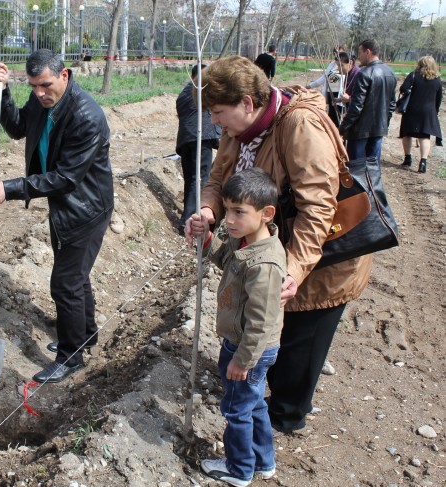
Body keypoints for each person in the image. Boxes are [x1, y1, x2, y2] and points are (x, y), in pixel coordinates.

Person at [186, 56, 372, 437]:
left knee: (299, 347)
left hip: (320, 260)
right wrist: (208, 210)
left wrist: (295, 269)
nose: (214, 122)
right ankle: (267, 411)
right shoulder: (238, 131)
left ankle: (283, 422)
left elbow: (319, 206)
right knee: (275, 338)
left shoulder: (299, 126)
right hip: (272, 251)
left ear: (247, 104)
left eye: (218, 112)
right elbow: (219, 177)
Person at [0, 50, 114, 383]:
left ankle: (71, 357)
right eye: (33, 86)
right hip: (66, 206)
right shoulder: (41, 101)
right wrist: (2, 92)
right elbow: (16, 128)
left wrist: (10, 188)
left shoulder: (86, 115)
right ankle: (85, 333)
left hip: (85, 210)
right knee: (76, 276)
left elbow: (67, 177)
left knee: (65, 283)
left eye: (45, 85)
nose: (40, 93)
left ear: (64, 75)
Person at [198, 168, 286, 487]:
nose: (230, 219)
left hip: (248, 349)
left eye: (239, 212)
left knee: (236, 409)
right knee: (254, 402)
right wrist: (206, 238)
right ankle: (263, 462)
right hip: (250, 349)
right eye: (227, 209)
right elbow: (225, 260)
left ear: (267, 214)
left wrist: (242, 360)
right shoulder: (249, 243)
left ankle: (239, 469)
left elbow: (261, 323)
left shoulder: (264, 265)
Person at [175, 63, 221, 235]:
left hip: (185, 139)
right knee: (201, 179)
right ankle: (189, 220)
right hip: (201, 139)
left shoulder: (184, 93)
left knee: (191, 179)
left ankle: (187, 218)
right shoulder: (202, 90)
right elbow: (209, 115)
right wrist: (219, 137)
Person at [338, 39, 397, 161]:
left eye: (360, 52)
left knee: (357, 168)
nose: (359, 56)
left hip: (360, 131)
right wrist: (384, 124)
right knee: (373, 167)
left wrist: (343, 128)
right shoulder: (390, 73)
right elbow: (391, 105)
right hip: (378, 130)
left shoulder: (364, 74)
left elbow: (356, 106)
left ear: (368, 52)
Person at [398, 55, 442, 174]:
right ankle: (423, 162)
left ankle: (408, 158)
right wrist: (435, 111)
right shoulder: (437, 80)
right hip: (428, 112)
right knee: (424, 136)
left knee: (407, 134)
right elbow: (439, 98)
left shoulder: (413, 75)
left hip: (412, 109)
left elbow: (403, 89)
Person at [307, 48, 346, 126]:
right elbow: (324, 78)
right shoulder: (332, 64)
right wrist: (310, 86)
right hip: (331, 95)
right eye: (335, 53)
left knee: (338, 119)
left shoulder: (344, 67)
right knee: (331, 118)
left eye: (339, 53)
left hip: (339, 97)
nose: (337, 55)